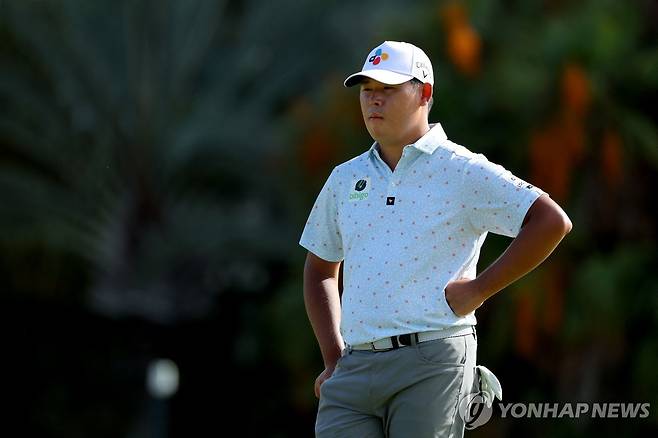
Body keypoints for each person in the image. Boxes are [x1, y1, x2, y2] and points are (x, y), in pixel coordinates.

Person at [300, 41, 572, 437]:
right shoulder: (345, 178)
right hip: (354, 368)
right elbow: (320, 268)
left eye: (388, 89)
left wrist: (479, 290)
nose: (373, 100)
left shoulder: (461, 169)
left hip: (434, 361)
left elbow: (550, 222)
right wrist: (333, 358)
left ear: (424, 93)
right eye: (366, 90)